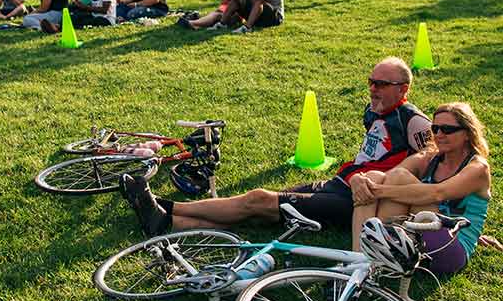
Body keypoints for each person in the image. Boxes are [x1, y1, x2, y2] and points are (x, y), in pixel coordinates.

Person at [120, 57, 432, 237]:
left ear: (403, 89)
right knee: (259, 211)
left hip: (357, 199)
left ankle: (164, 208)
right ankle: (165, 220)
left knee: (259, 200)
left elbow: (430, 172)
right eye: (370, 81)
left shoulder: (414, 121)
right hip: (339, 181)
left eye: (381, 84)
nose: (373, 89)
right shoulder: (374, 110)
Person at [351, 102, 491, 276]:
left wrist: (376, 190)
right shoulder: (429, 158)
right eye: (435, 128)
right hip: (421, 235)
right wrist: (359, 180)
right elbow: (387, 178)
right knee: (374, 177)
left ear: (467, 134)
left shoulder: (478, 168)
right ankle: (360, 258)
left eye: (447, 129)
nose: (439, 135)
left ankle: (370, 255)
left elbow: (437, 193)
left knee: (399, 178)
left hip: (450, 249)